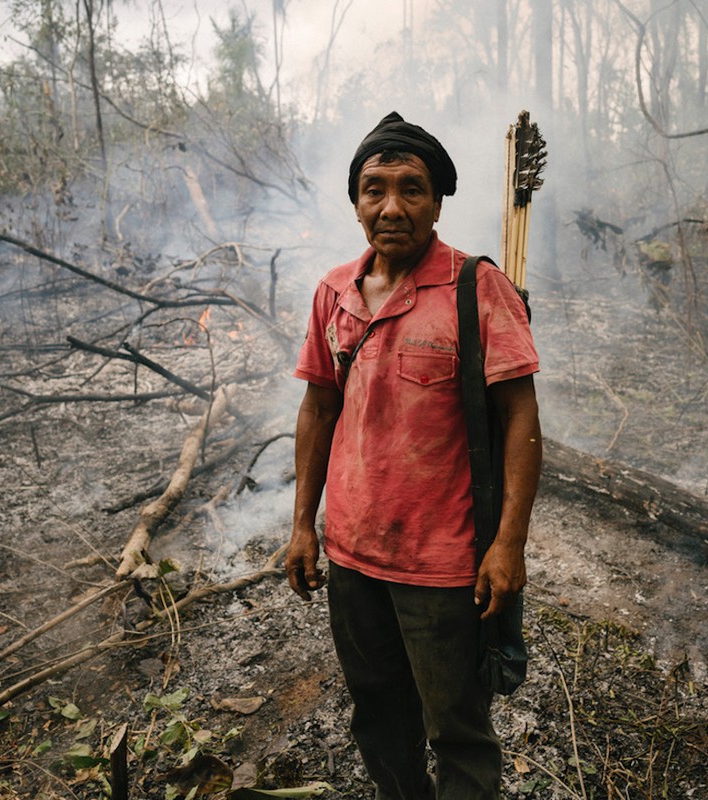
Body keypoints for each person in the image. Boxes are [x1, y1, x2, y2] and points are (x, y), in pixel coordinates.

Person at [286, 111, 542, 800]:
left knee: (457, 728)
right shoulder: (334, 292)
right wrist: (302, 525)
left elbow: (520, 417)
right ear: (356, 199)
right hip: (353, 556)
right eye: (375, 189)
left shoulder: (476, 288)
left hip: (442, 566)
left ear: (436, 201)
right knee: (378, 715)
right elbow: (317, 408)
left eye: (411, 188)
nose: (391, 206)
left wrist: (508, 545)